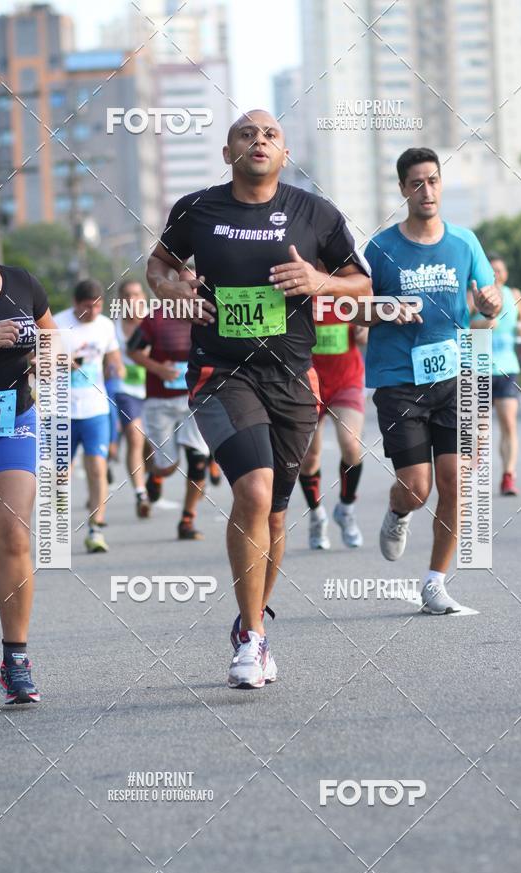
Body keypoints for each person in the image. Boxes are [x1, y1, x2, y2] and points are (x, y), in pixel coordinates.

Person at [146, 109, 371, 688]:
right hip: (220, 371)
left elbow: (362, 284)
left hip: (292, 377)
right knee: (253, 489)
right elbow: (159, 265)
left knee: (274, 513)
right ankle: (250, 638)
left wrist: (320, 282)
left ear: (285, 153)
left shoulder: (316, 213)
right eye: (246, 133)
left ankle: (255, 622)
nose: (259, 140)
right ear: (228, 154)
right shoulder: (197, 209)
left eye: (270, 133)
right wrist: (172, 289)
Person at [364, 148, 501, 614]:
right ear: (403, 189)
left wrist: (490, 307)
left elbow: (487, 307)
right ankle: (399, 509)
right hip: (399, 380)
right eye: (417, 183)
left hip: (456, 376)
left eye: (434, 180)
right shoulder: (380, 249)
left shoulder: (464, 242)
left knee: (455, 482)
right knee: (417, 488)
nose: (427, 190)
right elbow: (355, 309)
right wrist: (384, 308)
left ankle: (435, 584)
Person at [0, 191, 57, 704]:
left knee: (15, 536)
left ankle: (15, 659)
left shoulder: (22, 282)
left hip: (12, 424)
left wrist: (47, 361)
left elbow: (52, 340)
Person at [127, 278, 209, 540]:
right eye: (188, 286)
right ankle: (156, 475)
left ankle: (187, 520)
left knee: (198, 461)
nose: (193, 291)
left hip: (194, 400)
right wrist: (159, 369)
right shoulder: (156, 317)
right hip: (160, 401)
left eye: (198, 287)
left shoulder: (208, 314)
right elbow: (133, 350)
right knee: (169, 466)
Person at [54, 279, 124, 553]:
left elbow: (113, 355)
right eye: (87, 307)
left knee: (97, 467)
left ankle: (96, 529)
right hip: (61, 411)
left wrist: (116, 366)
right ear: (75, 303)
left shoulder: (105, 325)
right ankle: (58, 527)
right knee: (60, 475)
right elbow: (36, 362)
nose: (93, 312)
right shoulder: (57, 324)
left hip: (96, 409)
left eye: (97, 306)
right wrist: (62, 362)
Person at [299, 296, 368, 549]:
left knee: (351, 445)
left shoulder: (348, 290)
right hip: (308, 383)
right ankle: (316, 515)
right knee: (309, 457)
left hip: (346, 381)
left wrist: (364, 329)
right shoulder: (301, 293)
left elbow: (367, 332)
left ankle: (346, 509)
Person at [470, 254, 521, 496]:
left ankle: (508, 476)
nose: (497, 275)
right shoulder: (475, 295)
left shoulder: (514, 295)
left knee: (509, 424)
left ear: (506, 273)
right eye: (492, 270)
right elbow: (459, 325)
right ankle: (473, 475)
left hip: (507, 368)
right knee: (480, 429)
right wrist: (481, 325)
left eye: (501, 270)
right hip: (479, 368)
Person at [111, 278, 150, 517]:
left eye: (136, 294)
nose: (131, 300)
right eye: (127, 295)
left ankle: (152, 477)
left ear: (143, 298)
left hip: (154, 389)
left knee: (152, 446)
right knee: (135, 437)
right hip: (125, 391)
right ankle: (140, 493)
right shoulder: (112, 327)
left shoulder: (155, 320)